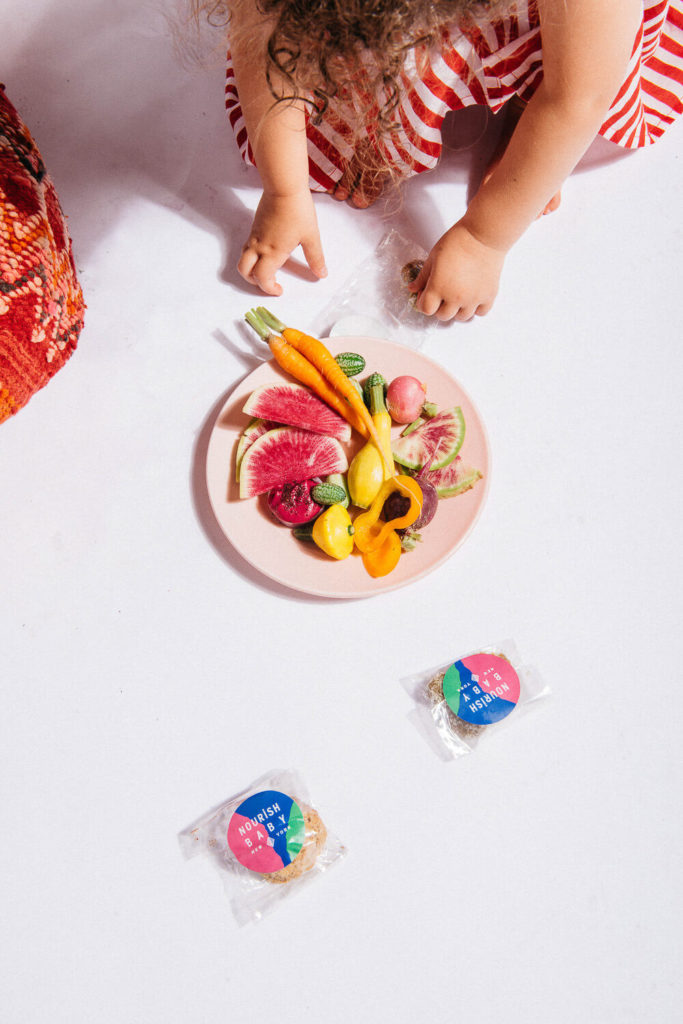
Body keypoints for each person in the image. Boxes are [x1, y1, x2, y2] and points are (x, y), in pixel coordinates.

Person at [201, 1, 683, 321]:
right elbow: (262, 28)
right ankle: (379, 106)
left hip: (570, 27)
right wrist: (285, 188)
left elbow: (580, 94)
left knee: (572, 74)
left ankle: (524, 104)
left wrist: (484, 238)